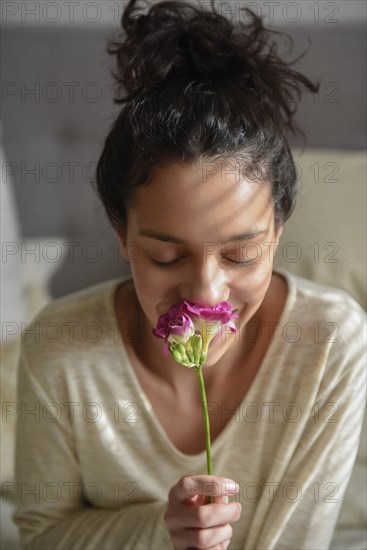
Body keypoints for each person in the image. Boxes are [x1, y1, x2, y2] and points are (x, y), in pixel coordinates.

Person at [14, 1, 366, 549]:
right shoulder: (59, 349)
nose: (205, 294)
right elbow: (41, 535)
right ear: (120, 235)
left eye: (240, 255)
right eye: (165, 258)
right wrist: (162, 528)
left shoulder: (330, 342)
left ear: (276, 234)